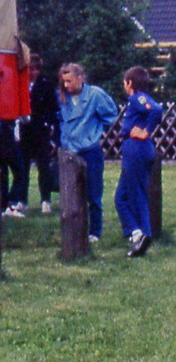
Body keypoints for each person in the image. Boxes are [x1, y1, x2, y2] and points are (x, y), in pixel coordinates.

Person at [57, 63, 118, 244]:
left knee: (93, 193)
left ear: (80, 78)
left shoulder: (95, 95)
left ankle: (95, 231)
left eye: (69, 81)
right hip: (69, 151)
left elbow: (110, 115)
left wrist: (94, 131)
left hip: (89, 151)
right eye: (63, 82)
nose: (66, 85)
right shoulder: (61, 97)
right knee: (71, 193)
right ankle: (73, 230)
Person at [115, 66, 163, 257]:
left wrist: (146, 131)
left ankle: (144, 233)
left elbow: (157, 110)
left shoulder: (137, 98)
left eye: (124, 82)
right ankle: (136, 234)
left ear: (130, 83)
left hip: (136, 149)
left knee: (136, 195)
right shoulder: (135, 101)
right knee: (121, 198)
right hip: (135, 150)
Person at [20, 54, 60, 214]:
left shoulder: (46, 84)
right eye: (31, 69)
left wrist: (50, 129)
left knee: (44, 167)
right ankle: (22, 200)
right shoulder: (19, 83)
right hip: (24, 130)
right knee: (23, 168)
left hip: (41, 130)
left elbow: (53, 108)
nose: (33, 72)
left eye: (36, 69)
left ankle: (46, 200)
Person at [0, 120, 28, 218]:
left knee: (3, 174)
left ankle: (3, 206)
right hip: (8, 136)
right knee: (20, 171)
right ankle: (11, 204)